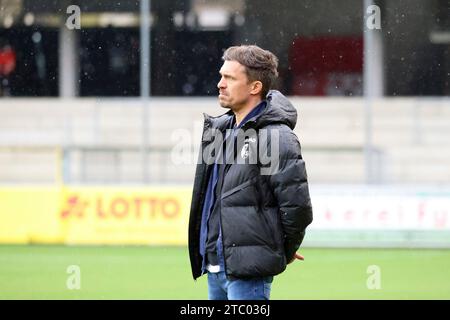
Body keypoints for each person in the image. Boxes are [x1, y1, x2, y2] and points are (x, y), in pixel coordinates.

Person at [188, 44, 313, 300]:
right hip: (214, 266)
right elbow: (210, 199)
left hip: (248, 270)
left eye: (230, 78)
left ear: (255, 87)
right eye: (221, 76)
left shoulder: (275, 137)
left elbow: (296, 207)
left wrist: (282, 249)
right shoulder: (218, 131)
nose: (220, 84)